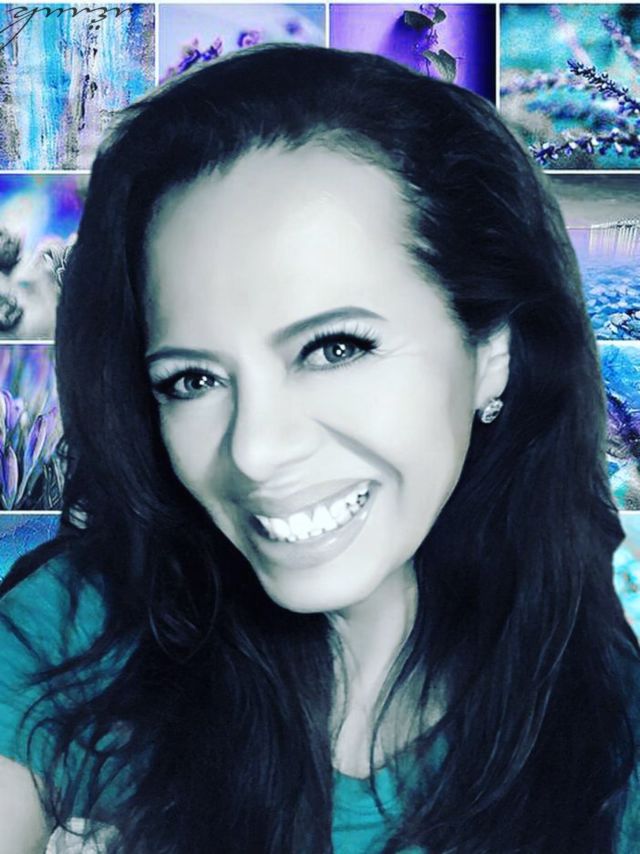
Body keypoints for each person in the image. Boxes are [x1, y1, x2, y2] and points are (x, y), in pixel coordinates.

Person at [0, 44, 638, 854]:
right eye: (193, 380)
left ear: (491, 353)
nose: (255, 451)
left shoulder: (613, 741)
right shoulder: (73, 632)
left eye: (334, 348)